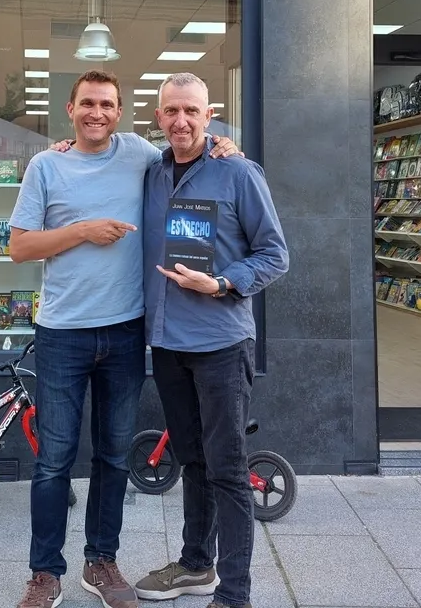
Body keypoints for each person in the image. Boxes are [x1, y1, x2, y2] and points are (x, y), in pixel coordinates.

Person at [9, 69, 238, 608]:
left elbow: (189, 146)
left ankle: (101, 561)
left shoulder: (139, 153)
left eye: (107, 105)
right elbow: (19, 248)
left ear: (121, 112)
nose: (97, 113)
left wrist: (226, 144)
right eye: (87, 103)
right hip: (62, 333)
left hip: (125, 330)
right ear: (70, 109)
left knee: (113, 457)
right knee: (54, 460)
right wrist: (82, 231)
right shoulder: (46, 165)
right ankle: (45, 573)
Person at [134, 72, 289, 608]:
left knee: (227, 469)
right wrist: (63, 146)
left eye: (191, 111)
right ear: (159, 115)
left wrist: (222, 283)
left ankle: (234, 594)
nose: (181, 121)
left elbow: (275, 255)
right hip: (167, 343)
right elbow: (100, 143)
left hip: (221, 343)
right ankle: (195, 564)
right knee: (192, 461)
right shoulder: (151, 173)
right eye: (171, 111)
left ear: (209, 114)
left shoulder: (238, 172)